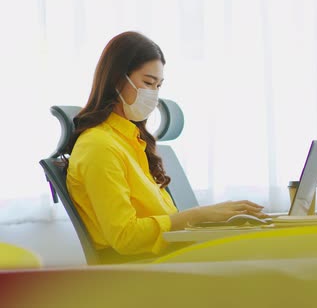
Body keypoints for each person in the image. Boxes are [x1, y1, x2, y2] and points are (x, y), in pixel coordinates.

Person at [65, 31, 267, 261]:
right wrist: (198, 216)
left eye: (158, 85)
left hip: (167, 260)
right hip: (142, 270)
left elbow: (163, 223)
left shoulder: (131, 141)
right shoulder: (99, 146)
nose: (153, 94)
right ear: (116, 79)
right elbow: (125, 237)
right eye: (148, 82)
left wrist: (212, 218)